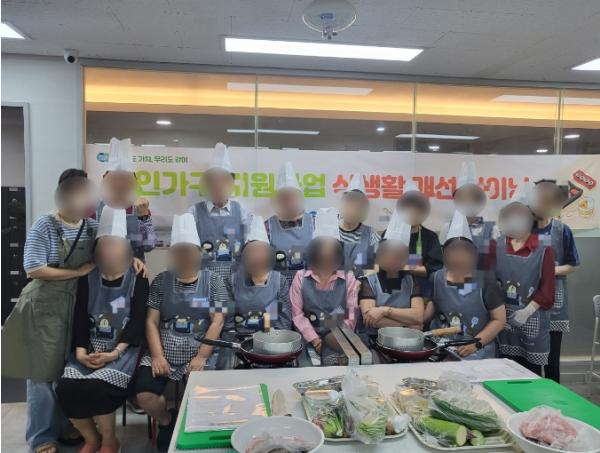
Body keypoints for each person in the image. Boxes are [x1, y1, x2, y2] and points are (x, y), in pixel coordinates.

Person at [1, 169, 98, 453]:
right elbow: (34, 268)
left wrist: (134, 262)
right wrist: (77, 271)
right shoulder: (45, 224)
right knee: (42, 374)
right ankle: (42, 437)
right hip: (45, 305)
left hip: (77, 306)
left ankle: (67, 425)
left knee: (70, 371)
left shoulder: (92, 227)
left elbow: (109, 254)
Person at [56, 207, 149, 453]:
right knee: (66, 387)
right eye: (105, 244)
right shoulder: (87, 277)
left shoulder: (138, 277)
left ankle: (109, 441)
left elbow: (137, 322)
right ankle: (92, 439)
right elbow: (79, 318)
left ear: (126, 249)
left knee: (98, 387)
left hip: (123, 350)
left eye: (115, 244)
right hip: (90, 347)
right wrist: (80, 352)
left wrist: (114, 353)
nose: (110, 250)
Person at [135, 213, 229, 452]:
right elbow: (151, 321)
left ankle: (194, 429)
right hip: (165, 349)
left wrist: (202, 356)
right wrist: (157, 356)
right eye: (179, 252)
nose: (184, 257)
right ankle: (168, 422)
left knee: (201, 395)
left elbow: (217, 320)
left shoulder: (214, 281)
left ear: (199, 253)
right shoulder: (160, 281)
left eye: (189, 252)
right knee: (145, 395)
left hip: (201, 348)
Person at [426, 211, 506, 360]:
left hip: (476, 348)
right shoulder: (436, 278)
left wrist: (475, 344)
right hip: (441, 346)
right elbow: (430, 311)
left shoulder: (486, 279)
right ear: (443, 253)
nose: (458, 257)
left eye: (465, 251)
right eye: (452, 251)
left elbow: (499, 319)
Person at [495, 182, 555, 375]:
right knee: (503, 372)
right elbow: (488, 283)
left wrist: (527, 311)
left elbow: (548, 289)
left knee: (530, 374)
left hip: (532, 319)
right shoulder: (496, 245)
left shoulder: (544, 249)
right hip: (502, 322)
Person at [290, 208, 360, 355]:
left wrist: (332, 340)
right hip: (308, 341)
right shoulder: (301, 277)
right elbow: (297, 315)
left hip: (339, 340)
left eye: (332, 253)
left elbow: (351, 315)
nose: (327, 257)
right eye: (322, 252)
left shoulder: (349, 278)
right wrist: (315, 340)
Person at [530, 179, 580, 382]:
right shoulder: (522, 230)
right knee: (529, 358)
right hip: (527, 303)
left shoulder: (562, 230)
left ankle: (553, 395)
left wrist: (549, 270)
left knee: (552, 360)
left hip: (554, 305)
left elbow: (573, 265)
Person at [188, 142, 252, 280]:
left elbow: (250, 244)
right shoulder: (194, 212)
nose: (218, 186)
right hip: (203, 278)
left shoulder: (242, 211)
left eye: (223, 181)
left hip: (236, 278)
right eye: (213, 181)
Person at [359, 210, 424, 335]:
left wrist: (385, 311)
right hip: (376, 339)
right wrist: (407, 327)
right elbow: (371, 319)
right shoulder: (368, 280)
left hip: (408, 340)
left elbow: (418, 316)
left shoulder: (411, 280)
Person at [227, 215, 292, 333]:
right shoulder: (232, 281)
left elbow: (284, 321)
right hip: (240, 339)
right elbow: (228, 321)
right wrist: (232, 337)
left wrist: (275, 339)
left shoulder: (279, 281)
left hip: (272, 338)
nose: (256, 257)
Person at [95, 138, 156, 261]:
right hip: (101, 268)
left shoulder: (140, 207)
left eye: (125, 179)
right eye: (115, 178)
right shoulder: (94, 208)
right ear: (105, 178)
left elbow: (149, 245)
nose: (120, 184)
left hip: (134, 268)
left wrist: (144, 217)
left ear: (134, 181)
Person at [439, 161, 499, 269]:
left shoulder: (492, 229)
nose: (467, 201)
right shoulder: (447, 228)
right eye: (462, 197)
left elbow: (495, 261)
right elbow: (442, 261)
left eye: (471, 197)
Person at [266, 161, 314, 286]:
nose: (289, 202)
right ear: (277, 200)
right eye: (284, 197)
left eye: (292, 196)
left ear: (300, 197)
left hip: (309, 288)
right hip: (278, 288)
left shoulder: (314, 223)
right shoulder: (267, 227)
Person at [395, 181, 443, 300]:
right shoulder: (389, 235)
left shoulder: (430, 237)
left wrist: (403, 268)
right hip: (394, 291)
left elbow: (435, 268)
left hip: (423, 292)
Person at [338, 173, 380, 275]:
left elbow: (373, 267)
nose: (351, 209)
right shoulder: (329, 231)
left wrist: (362, 280)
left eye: (357, 206)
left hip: (360, 283)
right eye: (349, 203)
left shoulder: (371, 235)